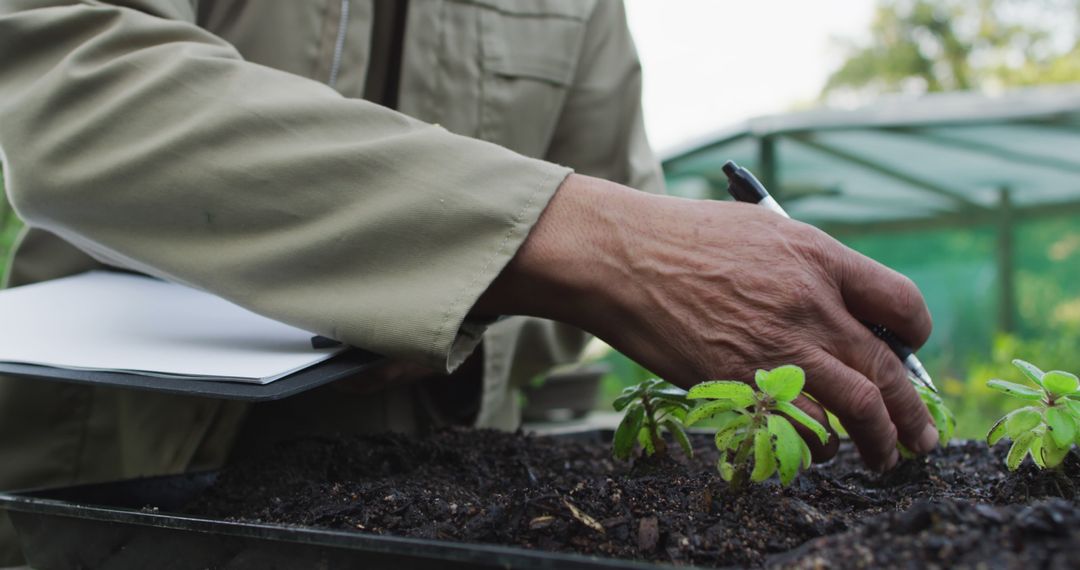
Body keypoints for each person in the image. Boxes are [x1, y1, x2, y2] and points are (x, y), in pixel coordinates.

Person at [0, 0, 939, 563]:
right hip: (116, 500)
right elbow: (69, 88)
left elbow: (591, 331)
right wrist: (597, 242)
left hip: (441, 512)